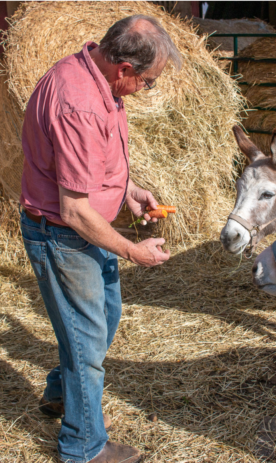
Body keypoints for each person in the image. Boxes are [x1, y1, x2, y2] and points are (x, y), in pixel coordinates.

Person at [19, 15, 182, 463]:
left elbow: (82, 166)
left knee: (101, 322)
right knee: (87, 343)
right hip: (64, 235)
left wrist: (127, 190)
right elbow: (74, 209)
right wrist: (133, 250)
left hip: (84, 231)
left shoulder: (90, 74)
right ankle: (83, 447)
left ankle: (59, 392)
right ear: (124, 68)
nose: (147, 90)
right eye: (147, 82)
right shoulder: (80, 105)